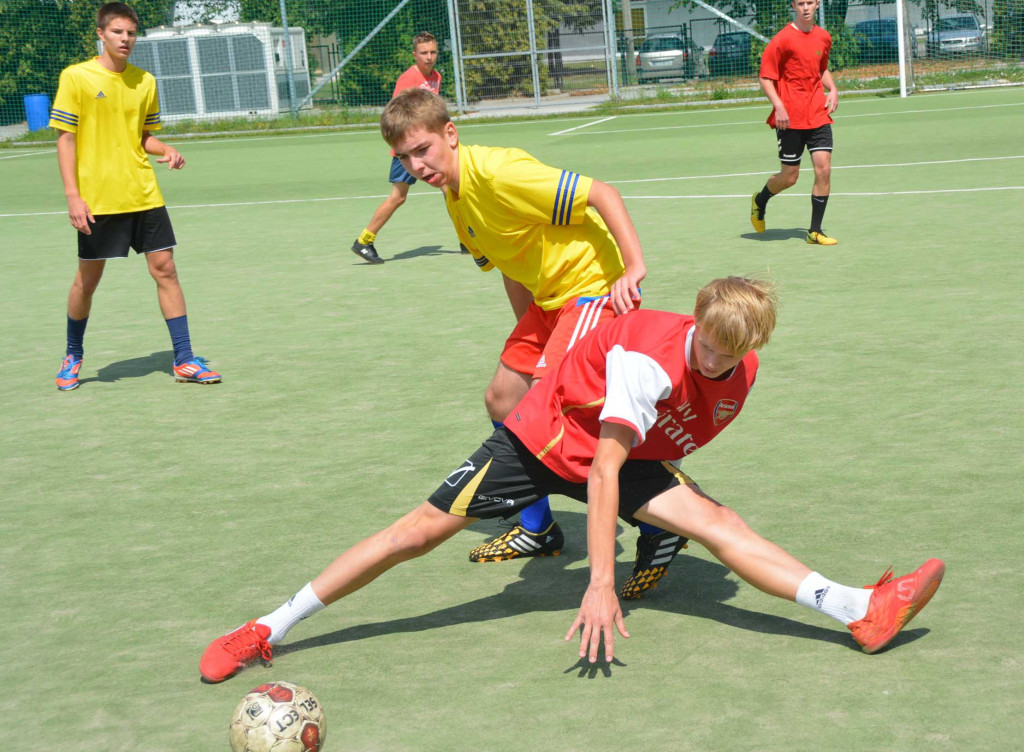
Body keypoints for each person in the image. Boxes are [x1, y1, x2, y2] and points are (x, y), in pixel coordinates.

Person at [199, 276, 945, 682]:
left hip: (623, 441)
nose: (716, 362)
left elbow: (642, 451)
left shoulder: (739, 364)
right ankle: (267, 627)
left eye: (733, 353)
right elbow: (604, 471)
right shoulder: (650, 363)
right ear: (696, 323)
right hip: (545, 439)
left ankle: (857, 609)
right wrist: (597, 582)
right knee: (416, 532)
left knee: (722, 525)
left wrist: (669, 503)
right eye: (710, 347)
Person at [380, 87, 684, 599]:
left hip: (590, 287)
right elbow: (510, 265)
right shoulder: (455, 199)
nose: (417, 165)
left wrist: (633, 267)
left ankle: (663, 524)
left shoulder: (500, 173)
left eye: (423, 149)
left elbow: (603, 193)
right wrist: (532, 335)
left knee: (557, 421)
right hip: (550, 303)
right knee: (503, 398)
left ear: (449, 134)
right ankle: (539, 528)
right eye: (404, 158)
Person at [50, 3, 221, 391]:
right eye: (117, 32)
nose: (125, 39)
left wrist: (165, 150)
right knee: (87, 281)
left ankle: (184, 359)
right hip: (98, 200)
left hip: (144, 194)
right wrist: (73, 196)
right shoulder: (76, 77)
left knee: (166, 270)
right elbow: (66, 139)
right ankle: (72, 354)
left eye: (131, 33)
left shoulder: (145, 81)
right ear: (101, 34)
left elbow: (141, 135)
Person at [750, 0, 839, 246]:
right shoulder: (782, 40)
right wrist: (778, 105)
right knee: (790, 177)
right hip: (790, 118)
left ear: (818, 4)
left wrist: (832, 89)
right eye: (801, 3)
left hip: (818, 114)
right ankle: (760, 200)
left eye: (810, 2)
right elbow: (765, 78)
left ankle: (815, 231)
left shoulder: (823, 37)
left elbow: (821, 70)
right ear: (794, 6)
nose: (806, 7)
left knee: (824, 168)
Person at [351, 31, 443, 265]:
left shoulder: (436, 77)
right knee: (398, 197)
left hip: (425, 149)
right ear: (415, 55)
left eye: (432, 52)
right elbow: (395, 115)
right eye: (424, 53)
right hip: (408, 151)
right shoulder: (407, 79)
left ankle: (469, 238)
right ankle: (364, 240)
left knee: (450, 186)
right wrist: (404, 148)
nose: (429, 57)